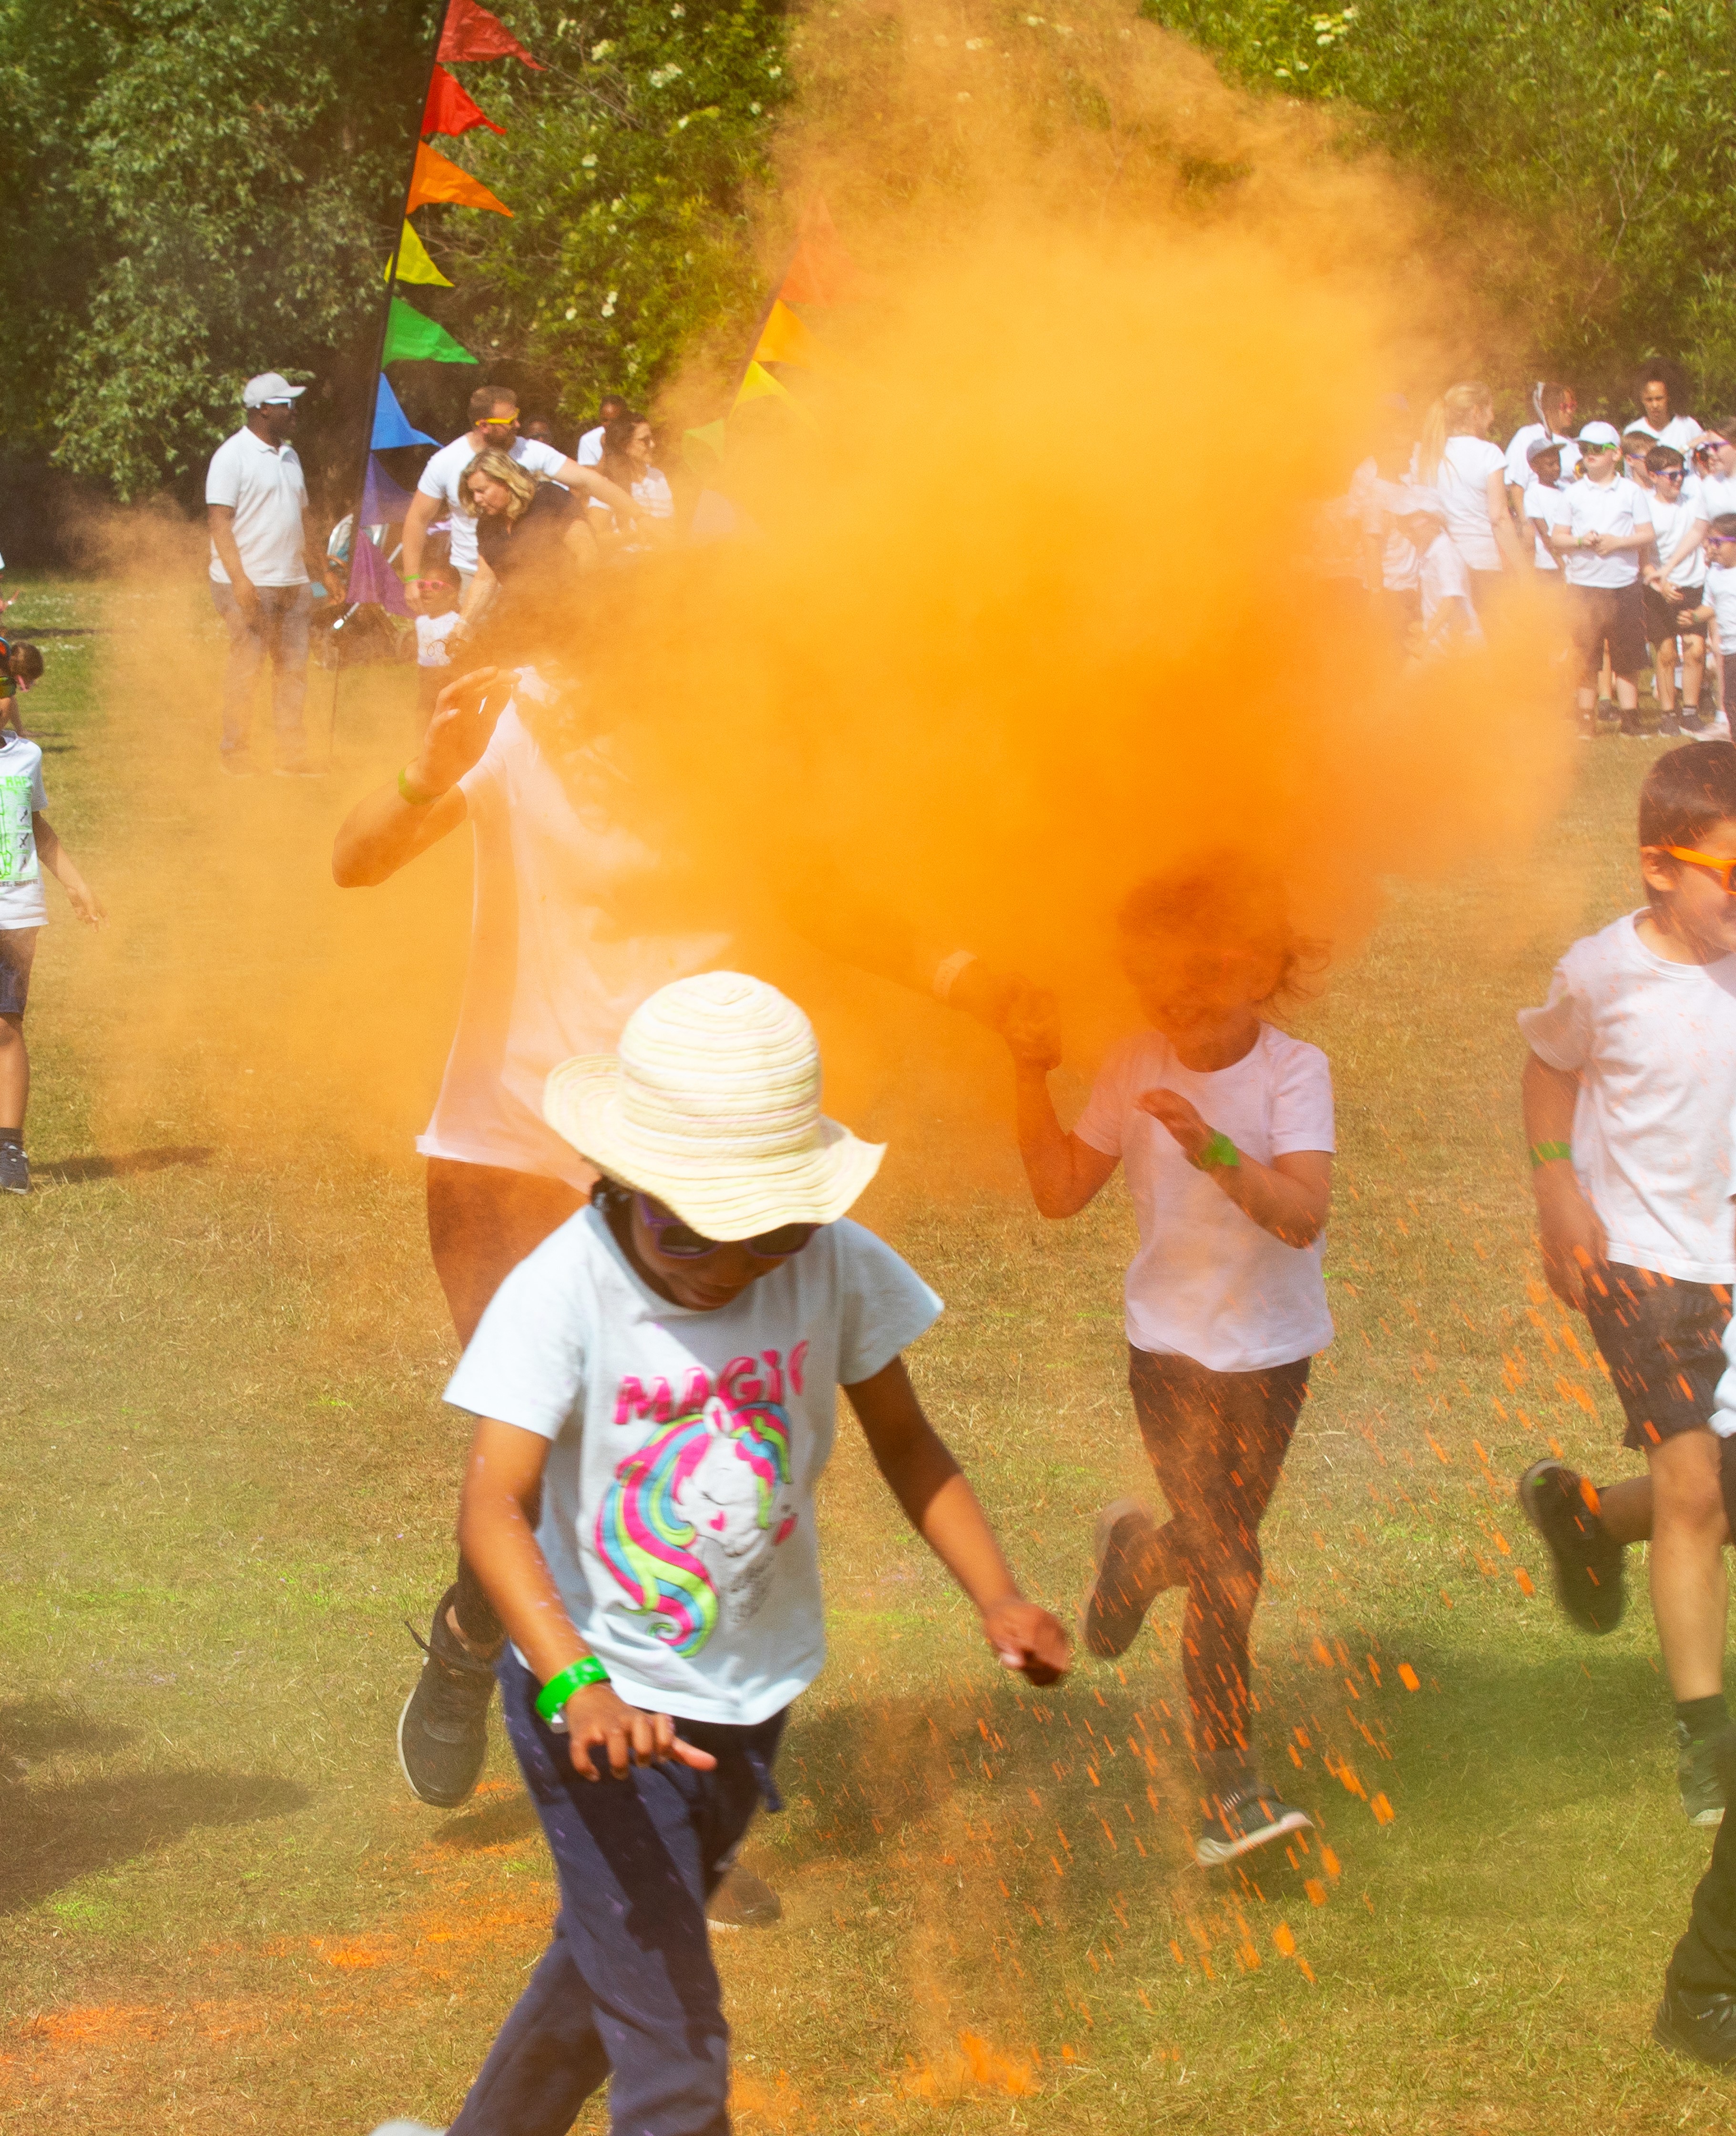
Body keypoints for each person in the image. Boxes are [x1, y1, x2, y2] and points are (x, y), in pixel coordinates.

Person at [365, 970, 1068, 2136]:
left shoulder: (829, 1264)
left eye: (772, 1233)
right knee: (675, 2059)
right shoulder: (563, 1293)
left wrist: (998, 1596)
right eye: (690, 1231)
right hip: (591, 1709)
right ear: (618, 1182)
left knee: (609, 1974)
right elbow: (491, 1511)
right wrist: (575, 1680)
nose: (733, 1267)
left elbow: (907, 1441)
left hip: (747, 1701)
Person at [1001, 855, 1330, 1867]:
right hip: (1170, 1353)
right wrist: (1025, 1069)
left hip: (1273, 1356)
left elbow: (1303, 1216)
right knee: (1233, 1564)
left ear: (1254, 968)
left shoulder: (1293, 1071)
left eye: (1192, 975)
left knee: (1214, 1543)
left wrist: (1218, 1152)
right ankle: (1234, 1788)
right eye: (1153, 980)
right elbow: (1060, 1189)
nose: (1171, 1000)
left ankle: (1139, 1561)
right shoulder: (1134, 1062)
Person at [1515, 741, 1736, 1827]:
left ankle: (1591, 1519)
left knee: (1721, 1495)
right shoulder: (1602, 972)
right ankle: (1708, 1745)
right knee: (1696, 1484)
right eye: (1726, 875)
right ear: (1659, 866)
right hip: (1639, 1263)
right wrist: (1557, 1187)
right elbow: (1550, 1067)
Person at [399, 388, 634, 614]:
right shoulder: (446, 462)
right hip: (474, 577)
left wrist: (640, 514)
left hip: (531, 579)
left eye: (517, 417)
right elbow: (418, 518)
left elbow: (590, 481)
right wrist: (411, 579)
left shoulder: (531, 452)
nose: (518, 425)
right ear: (484, 426)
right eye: (509, 421)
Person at [0, 714, 105, 1194]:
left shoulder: (26, 756)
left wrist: (75, 882)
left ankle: (8, 1149)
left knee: (4, 1026)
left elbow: (35, 824)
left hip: (16, 913)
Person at [205, 370, 323, 777]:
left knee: (293, 670)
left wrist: (322, 570)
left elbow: (302, 517)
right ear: (261, 410)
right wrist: (240, 579)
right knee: (247, 669)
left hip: (292, 581)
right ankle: (235, 755)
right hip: (249, 583)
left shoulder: (290, 456)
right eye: (285, 404)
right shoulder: (231, 456)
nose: (294, 411)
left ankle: (291, 756)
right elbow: (219, 521)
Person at [1541, 420, 1655, 739]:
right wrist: (1582, 541)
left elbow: (1647, 534)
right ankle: (1585, 719)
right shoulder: (1573, 493)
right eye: (1584, 449)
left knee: (1627, 656)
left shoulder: (1632, 492)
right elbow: (1558, 539)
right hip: (1584, 586)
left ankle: (1631, 720)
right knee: (1585, 657)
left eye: (1597, 449)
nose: (1589, 454)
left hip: (1623, 585)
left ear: (1616, 454)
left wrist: (1616, 542)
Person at [453, 453, 597, 636]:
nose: (477, 499)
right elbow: (485, 579)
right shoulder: (487, 523)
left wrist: (586, 606)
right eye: (473, 493)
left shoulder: (549, 498)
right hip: (524, 619)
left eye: (482, 490)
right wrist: (462, 626)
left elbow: (586, 551)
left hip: (572, 609)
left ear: (506, 481)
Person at [1418, 381, 1525, 601]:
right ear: (1477, 412)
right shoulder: (1488, 453)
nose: (1493, 417)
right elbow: (1500, 518)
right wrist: (1525, 571)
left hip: (1442, 565)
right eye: (1490, 410)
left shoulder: (1431, 455)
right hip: (1482, 563)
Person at [1641, 446, 1710, 737]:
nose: (1678, 480)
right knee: (1667, 652)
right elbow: (1643, 559)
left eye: (1682, 473)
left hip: (1692, 585)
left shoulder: (1695, 502)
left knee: (1696, 650)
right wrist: (1660, 585)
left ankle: (1691, 711)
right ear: (1653, 476)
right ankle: (1668, 714)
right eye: (1671, 475)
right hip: (1659, 589)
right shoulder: (1644, 507)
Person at [586, 413, 676, 556]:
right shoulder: (607, 485)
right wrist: (634, 536)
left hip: (668, 560)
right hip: (629, 567)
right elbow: (593, 540)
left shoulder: (659, 476)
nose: (653, 444)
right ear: (624, 445)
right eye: (644, 441)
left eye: (652, 438)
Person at [1504, 382, 1580, 520]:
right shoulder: (1529, 435)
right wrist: (1524, 522)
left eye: (1572, 406)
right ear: (1549, 409)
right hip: (1539, 518)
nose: (1570, 411)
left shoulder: (1574, 445)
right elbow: (1516, 484)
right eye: (1564, 407)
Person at [412, 564, 465, 731]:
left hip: (448, 683)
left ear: (452, 595)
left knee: (447, 727)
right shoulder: (421, 621)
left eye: (435, 586)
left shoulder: (457, 623)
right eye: (423, 585)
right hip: (426, 685)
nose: (426, 590)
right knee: (423, 725)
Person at [1633, 362, 1702, 453]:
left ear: (1669, 397)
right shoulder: (1634, 431)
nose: (1655, 405)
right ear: (1642, 400)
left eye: (1659, 399)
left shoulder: (1689, 426)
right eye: (1649, 400)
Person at [0, 636, 44, 739]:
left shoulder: (5, 661)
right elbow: (8, 702)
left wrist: (20, 731)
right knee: (7, 701)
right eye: (31, 680)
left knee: (8, 698)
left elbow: (11, 701)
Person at [575, 392, 629, 466]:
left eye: (614, 421)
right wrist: (606, 450)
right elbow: (590, 476)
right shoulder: (588, 441)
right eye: (605, 420)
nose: (609, 425)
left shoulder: (635, 437)